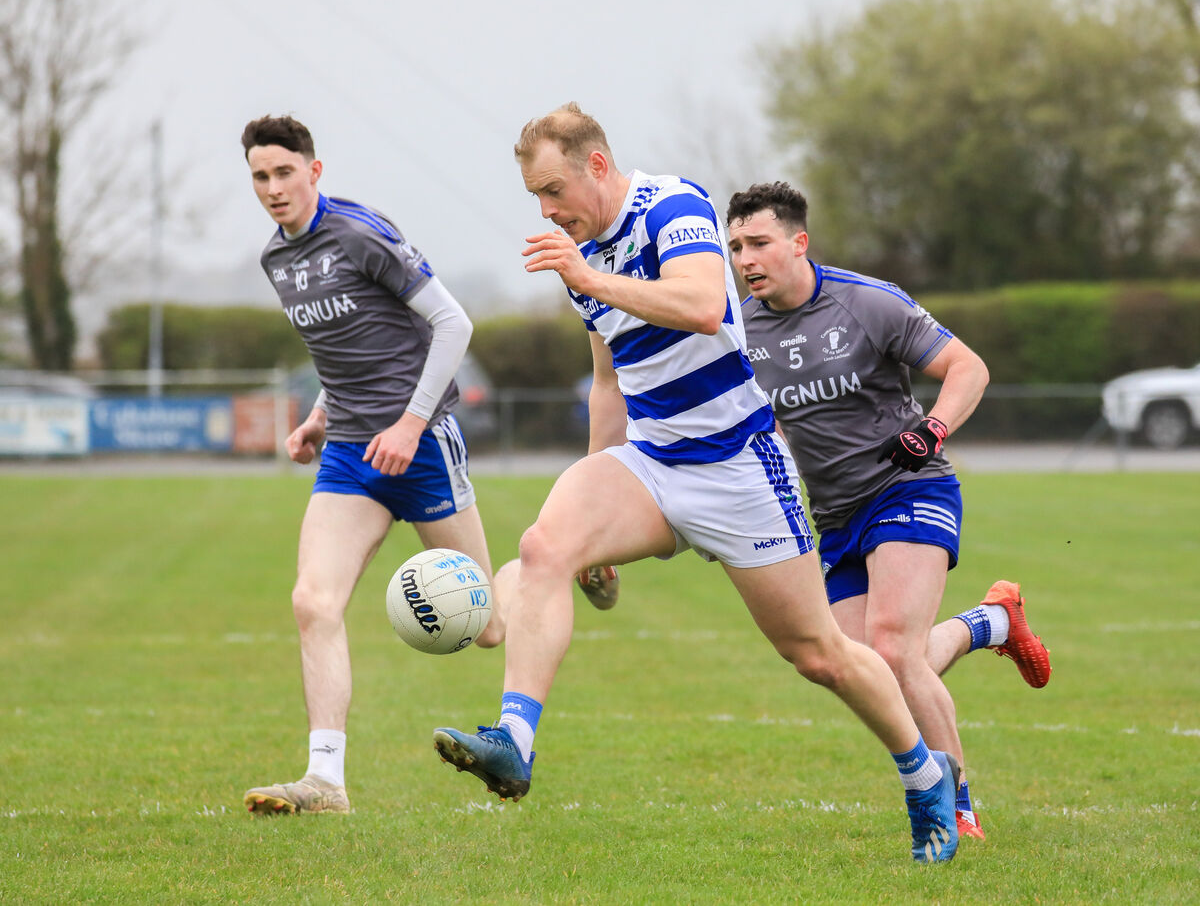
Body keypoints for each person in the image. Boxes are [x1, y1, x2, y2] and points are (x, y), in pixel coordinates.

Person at [432, 103, 962, 863]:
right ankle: (514, 741)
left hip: (739, 467)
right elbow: (609, 382)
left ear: (598, 167)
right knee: (545, 546)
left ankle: (923, 774)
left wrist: (590, 275)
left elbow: (705, 304)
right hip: (651, 461)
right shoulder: (581, 255)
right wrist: (595, 488)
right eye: (535, 199)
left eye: (554, 189)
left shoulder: (669, 205)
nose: (547, 211)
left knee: (819, 654)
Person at [726, 181, 1053, 842]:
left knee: (893, 652)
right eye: (734, 246)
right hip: (834, 517)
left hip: (910, 489)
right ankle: (990, 621)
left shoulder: (865, 302)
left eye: (758, 242)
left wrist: (931, 429)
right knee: (858, 668)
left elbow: (968, 368)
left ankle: (958, 807)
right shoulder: (739, 330)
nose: (744, 259)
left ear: (798, 242)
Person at [237, 114, 516, 815]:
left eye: (284, 173)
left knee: (489, 627)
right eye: (259, 177)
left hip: (420, 447)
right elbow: (352, 347)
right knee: (313, 601)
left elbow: (453, 323)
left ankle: (564, 564)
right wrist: (318, 418)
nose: (273, 188)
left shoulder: (360, 234)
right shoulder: (277, 259)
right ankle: (326, 780)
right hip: (350, 457)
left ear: (314, 170)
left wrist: (411, 422)